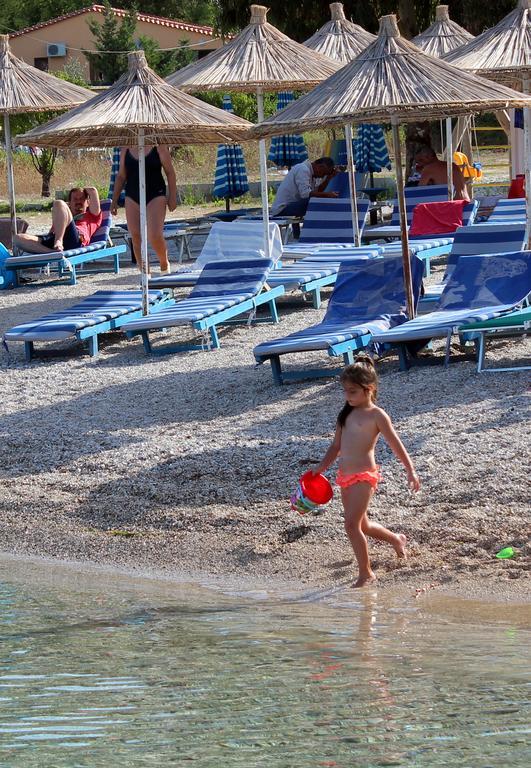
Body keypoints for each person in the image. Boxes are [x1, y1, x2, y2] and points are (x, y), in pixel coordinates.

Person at [311, 357, 420, 588]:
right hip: (345, 476)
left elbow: (396, 444)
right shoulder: (345, 415)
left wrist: (410, 470)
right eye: (345, 392)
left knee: (350, 525)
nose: (347, 397)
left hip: (364, 476)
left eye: (352, 392)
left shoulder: (377, 415)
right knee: (363, 526)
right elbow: (336, 446)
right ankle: (396, 539)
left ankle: (366, 573)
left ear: (368, 389)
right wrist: (321, 467)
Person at [111, 146, 177, 274]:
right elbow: (121, 176)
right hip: (132, 194)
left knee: (154, 235)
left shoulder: (159, 147)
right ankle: (145, 274)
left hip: (155, 193)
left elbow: (170, 172)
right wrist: (114, 200)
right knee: (135, 236)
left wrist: (172, 196)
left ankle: (164, 263)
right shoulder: (126, 148)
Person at [14, 187, 102, 254]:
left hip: (75, 240)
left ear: (88, 203)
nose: (78, 202)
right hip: (54, 240)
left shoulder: (92, 216)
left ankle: (58, 241)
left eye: (82, 199)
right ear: (69, 203)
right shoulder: (62, 214)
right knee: (17, 238)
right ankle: (52, 253)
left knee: (58, 203)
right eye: (75, 199)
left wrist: (82, 189)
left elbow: (93, 190)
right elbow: (52, 231)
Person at [270, 156, 340, 219]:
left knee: (317, 201)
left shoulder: (312, 174)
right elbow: (305, 194)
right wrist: (327, 195)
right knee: (316, 203)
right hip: (282, 209)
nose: (322, 176)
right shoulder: (303, 169)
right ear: (320, 167)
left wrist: (328, 178)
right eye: (324, 173)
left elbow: (318, 191)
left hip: (292, 205)